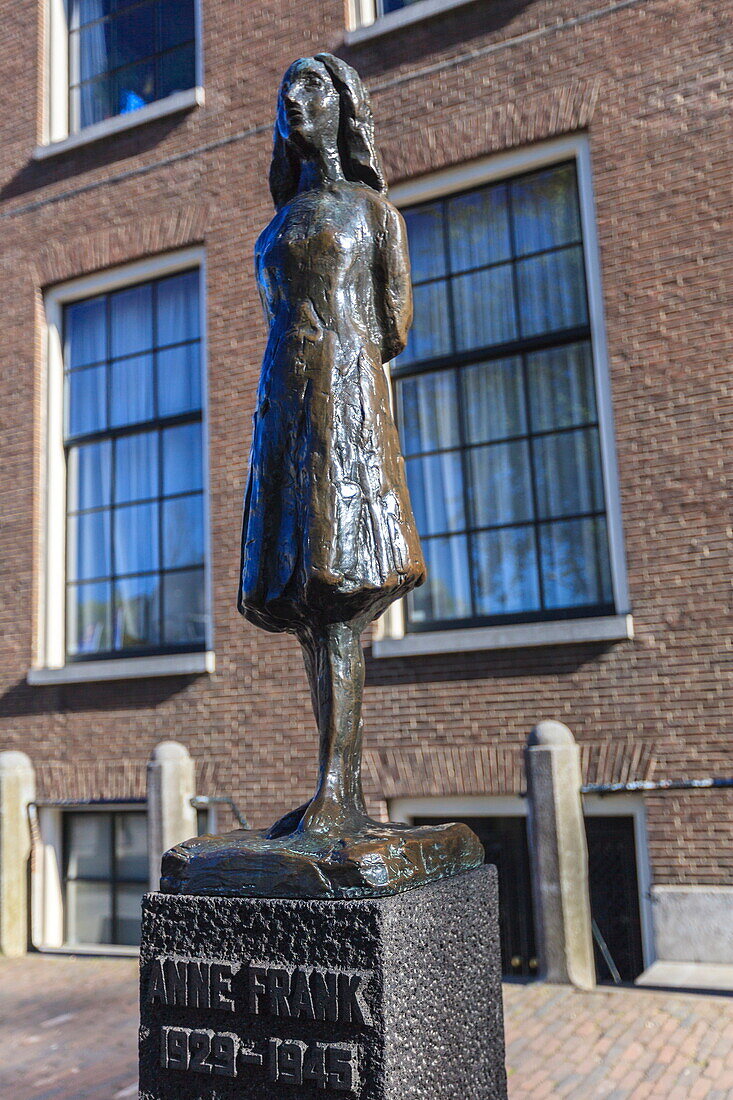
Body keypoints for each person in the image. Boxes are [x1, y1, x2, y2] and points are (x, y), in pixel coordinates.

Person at [239, 52, 425, 837]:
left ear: (347, 107)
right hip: (284, 405)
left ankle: (339, 787)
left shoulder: (375, 214)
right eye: (287, 90)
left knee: (341, 590)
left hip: (344, 401)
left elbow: (394, 323)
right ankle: (331, 785)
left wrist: (340, 376)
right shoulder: (274, 227)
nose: (294, 99)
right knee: (310, 605)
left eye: (313, 87)